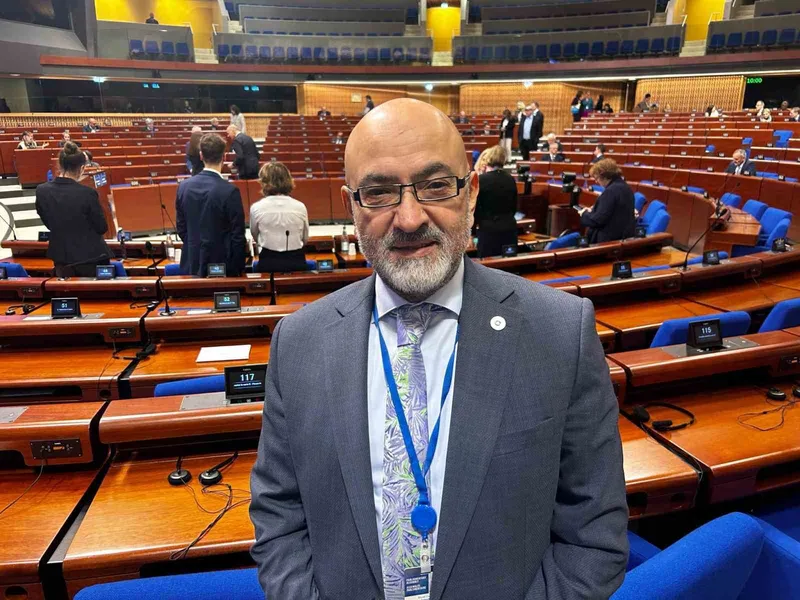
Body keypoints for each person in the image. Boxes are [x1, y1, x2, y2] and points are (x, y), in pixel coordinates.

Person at [249, 98, 628, 599]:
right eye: (379, 192)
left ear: (471, 193)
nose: (409, 219)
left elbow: (594, 535)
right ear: (351, 206)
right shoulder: (299, 343)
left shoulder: (560, 332)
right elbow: (278, 513)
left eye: (435, 186)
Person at [35, 142, 111, 278]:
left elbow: (48, 223)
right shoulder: (88, 193)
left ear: (60, 165)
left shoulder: (41, 191)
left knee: (66, 290)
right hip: (91, 257)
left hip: (62, 258)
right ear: (82, 168)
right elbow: (101, 227)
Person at [175, 133, 246, 277]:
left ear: (201, 156)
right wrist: (238, 268)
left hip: (193, 263)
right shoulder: (230, 191)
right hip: (223, 267)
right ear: (224, 157)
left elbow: (182, 229)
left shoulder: (183, 187)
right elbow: (237, 236)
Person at [250, 162, 309, 273]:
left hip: (268, 262)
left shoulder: (256, 208)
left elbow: (255, 235)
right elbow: (305, 238)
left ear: (264, 182)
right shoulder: (300, 207)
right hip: (296, 261)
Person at [578, 158, 636, 244]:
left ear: (604, 175)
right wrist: (594, 211)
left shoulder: (611, 191)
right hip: (623, 237)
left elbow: (597, 221)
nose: (596, 181)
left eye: (596, 178)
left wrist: (584, 214)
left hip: (608, 241)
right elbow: (612, 212)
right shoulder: (626, 187)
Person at [474, 145, 518, 258]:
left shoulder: (481, 180)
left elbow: (476, 208)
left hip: (488, 231)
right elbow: (514, 207)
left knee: (487, 265)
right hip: (509, 229)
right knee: (509, 264)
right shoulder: (510, 179)